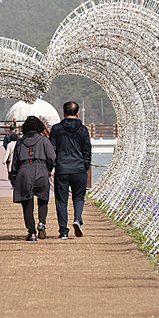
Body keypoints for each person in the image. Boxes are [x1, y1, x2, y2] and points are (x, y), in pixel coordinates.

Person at [49, 101, 92, 239]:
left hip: (62, 169)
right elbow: (87, 151)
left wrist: (51, 167)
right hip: (79, 169)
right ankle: (77, 219)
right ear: (77, 113)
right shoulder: (83, 129)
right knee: (78, 197)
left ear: (63, 112)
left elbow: (52, 150)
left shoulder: (56, 129)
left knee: (61, 201)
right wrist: (85, 167)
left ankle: (63, 231)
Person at [10, 116, 56, 241]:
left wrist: (14, 178)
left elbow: (14, 163)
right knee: (43, 199)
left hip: (24, 171)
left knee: (27, 203)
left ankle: (32, 233)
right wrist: (49, 169)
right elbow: (52, 157)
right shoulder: (44, 140)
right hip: (41, 170)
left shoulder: (20, 142)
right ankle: (41, 223)